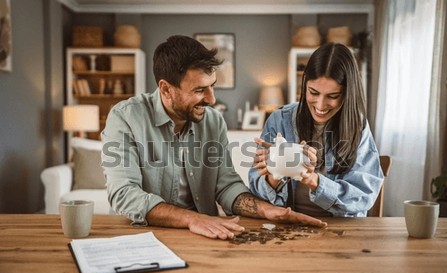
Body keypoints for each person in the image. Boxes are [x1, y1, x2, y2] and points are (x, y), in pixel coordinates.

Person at [101, 35, 326, 240]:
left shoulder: (213, 121)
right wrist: (192, 218)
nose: (211, 99)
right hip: (142, 236)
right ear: (166, 89)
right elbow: (124, 194)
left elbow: (226, 186)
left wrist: (267, 210)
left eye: (212, 86)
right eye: (200, 90)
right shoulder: (125, 118)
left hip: (205, 235)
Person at [249, 42, 384, 217]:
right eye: (313, 92)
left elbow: (363, 196)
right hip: (290, 223)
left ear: (348, 94)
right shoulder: (280, 120)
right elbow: (255, 191)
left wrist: (314, 180)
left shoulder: (358, 126)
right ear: (304, 85)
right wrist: (274, 173)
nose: (320, 105)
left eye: (332, 96)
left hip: (342, 229)